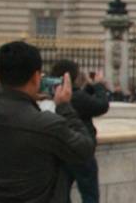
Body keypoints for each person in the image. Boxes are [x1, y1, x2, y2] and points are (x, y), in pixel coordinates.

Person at [0, 40, 94, 202]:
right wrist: (64, 106)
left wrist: (28, 98)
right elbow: (84, 149)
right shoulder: (46, 124)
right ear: (36, 77)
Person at [50, 60, 109, 203]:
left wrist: (89, 86)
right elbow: (101, 106)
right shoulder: (75, 97)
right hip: (82, 152)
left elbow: (84, 98)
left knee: (62, 194)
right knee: (90, 195)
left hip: (62, 150)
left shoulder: (54, 94)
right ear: (72, 77)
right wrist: (99, 85)